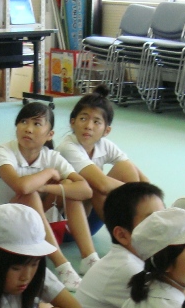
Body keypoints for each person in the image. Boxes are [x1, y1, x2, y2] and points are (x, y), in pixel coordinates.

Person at [0, 102, 96, 290]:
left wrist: (47, 188)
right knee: (30, 195)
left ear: (50, 134)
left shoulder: (51, 156)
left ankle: (89, 258)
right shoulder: (3, 152)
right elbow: (21, 186)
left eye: (36, 124)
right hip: (0, 222)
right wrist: (49, 173)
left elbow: (86, 190)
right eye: (23, 122)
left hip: (32, 217)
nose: (28, 129)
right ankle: (63, 267)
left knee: (69, 188)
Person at [56, 85, 149, 224]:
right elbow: (103, 184)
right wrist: (136, 192)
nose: (88, 126)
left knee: (126, 168)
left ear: (106, 131)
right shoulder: (68, 147)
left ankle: (137, 225)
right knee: (94, 185)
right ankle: (126, 231)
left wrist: (150, 198)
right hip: (65, 220)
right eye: (83, 119)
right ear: (72, 122)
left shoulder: (105, 145)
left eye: (96, 122)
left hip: (93, 214)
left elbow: (142, 179)